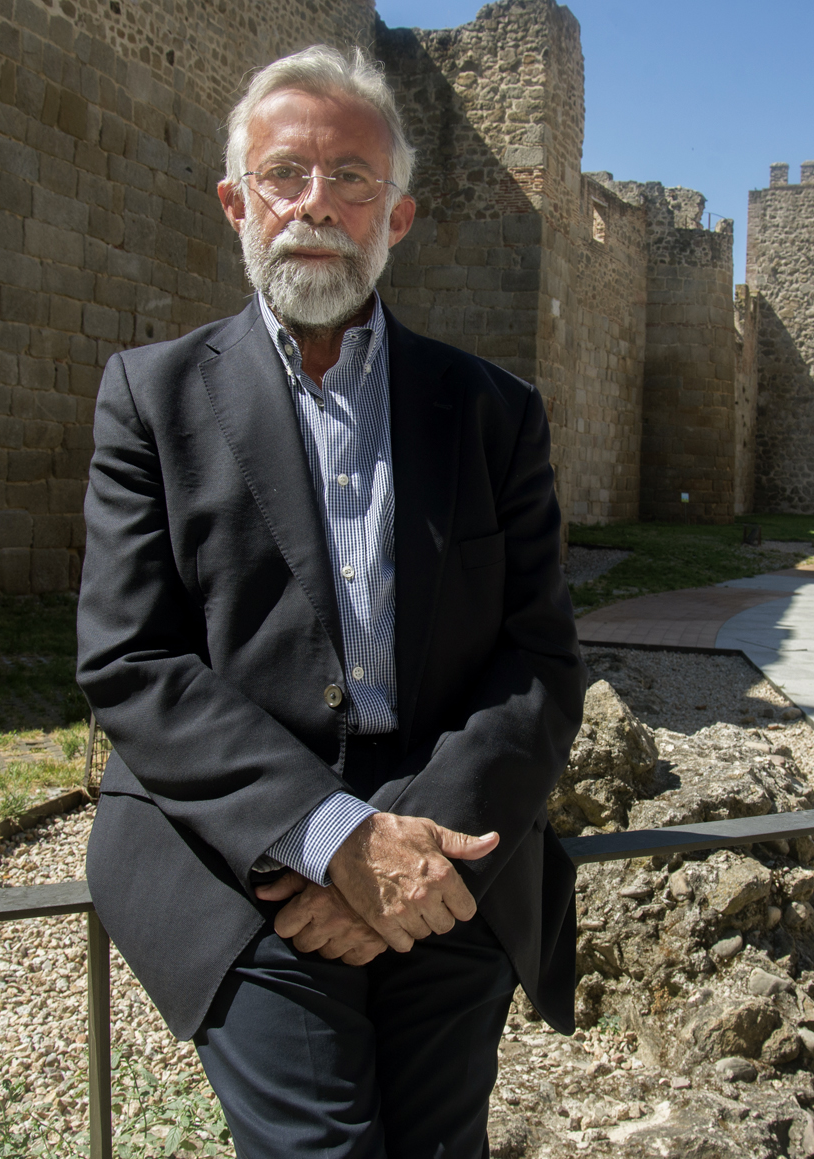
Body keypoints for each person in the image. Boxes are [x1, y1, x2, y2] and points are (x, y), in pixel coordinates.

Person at [76, 44, 586, 1158]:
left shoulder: (494, 411)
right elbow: (130, 660)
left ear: (395, 217)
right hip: (232, 839)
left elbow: (539, 657)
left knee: (439, 1142)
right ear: (234, 202)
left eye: (352, 179)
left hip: (449, 826)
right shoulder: (148, 400)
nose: (316, 206)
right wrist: (333, 842)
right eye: (285, 175)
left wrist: (412, 851)